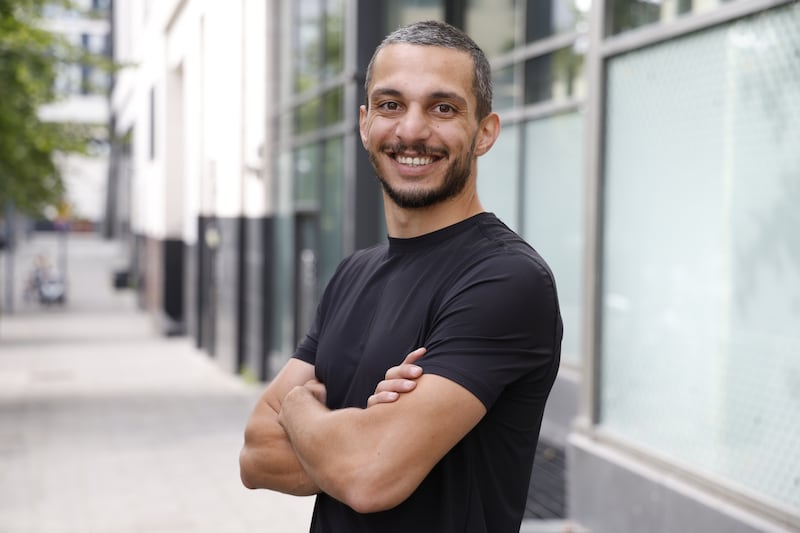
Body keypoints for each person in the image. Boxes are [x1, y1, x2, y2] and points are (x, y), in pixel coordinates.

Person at [239, 20, 562, 533]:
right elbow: (256, 455)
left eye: (442, 107)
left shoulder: (506, 280)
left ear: (485, 132)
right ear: (365, 123)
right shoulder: (354, 273)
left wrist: (301, 408)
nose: (411, 131)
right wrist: (358, 433)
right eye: (391, 105)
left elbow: (369, 477)